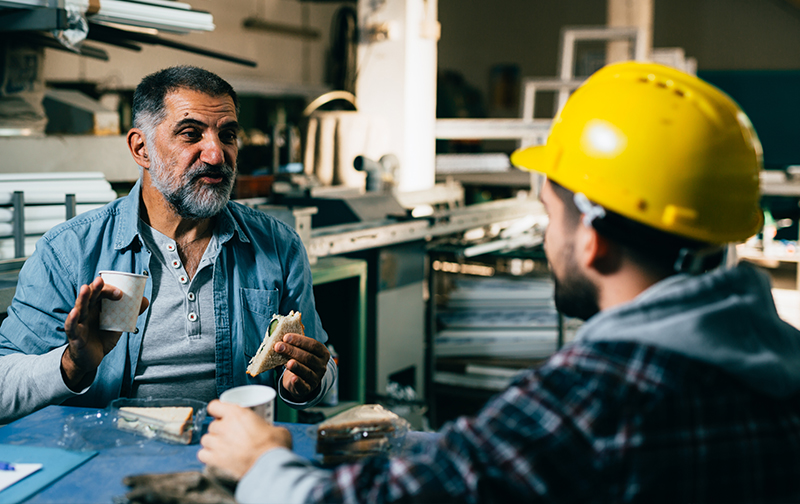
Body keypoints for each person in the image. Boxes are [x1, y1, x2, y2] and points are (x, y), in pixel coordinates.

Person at [197, 61, 800, 503]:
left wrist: (263, 465)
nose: (545, 236)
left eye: (549, 212)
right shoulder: (779, 361)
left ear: (592, 238)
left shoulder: (594, 399)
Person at [0, 66, 335, 423]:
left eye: (228, 135)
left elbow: (322, 365)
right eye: (191, 134)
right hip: (110, 459)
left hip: (235, 453)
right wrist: (70, 365)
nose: (216, 155)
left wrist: (309, 383)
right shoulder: (69, 253)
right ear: (141, 148)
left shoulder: (278, 246)